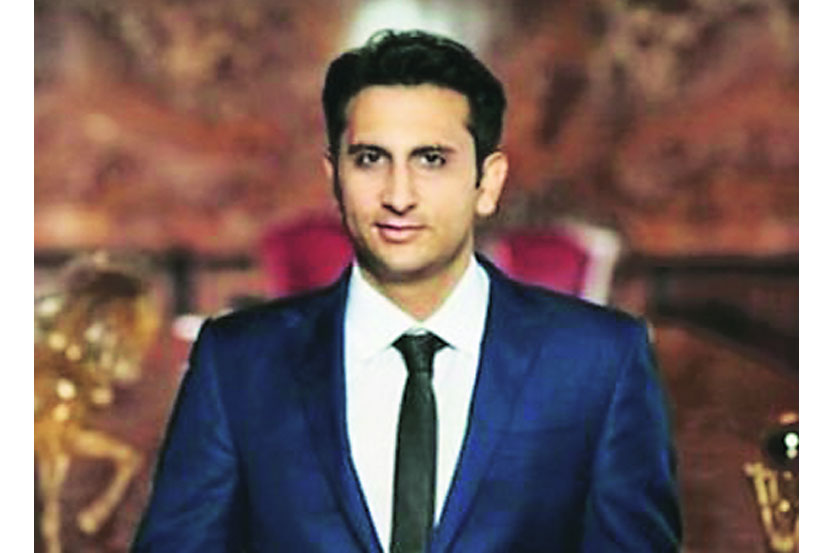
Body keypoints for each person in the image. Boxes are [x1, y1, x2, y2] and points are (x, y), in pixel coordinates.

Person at [132, 30, 682, 552]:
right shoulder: (237, 362)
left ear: (487, 182)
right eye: (370, 159)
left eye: (432, 160)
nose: (399, 195)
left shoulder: (600, 359)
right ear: (335, 179)